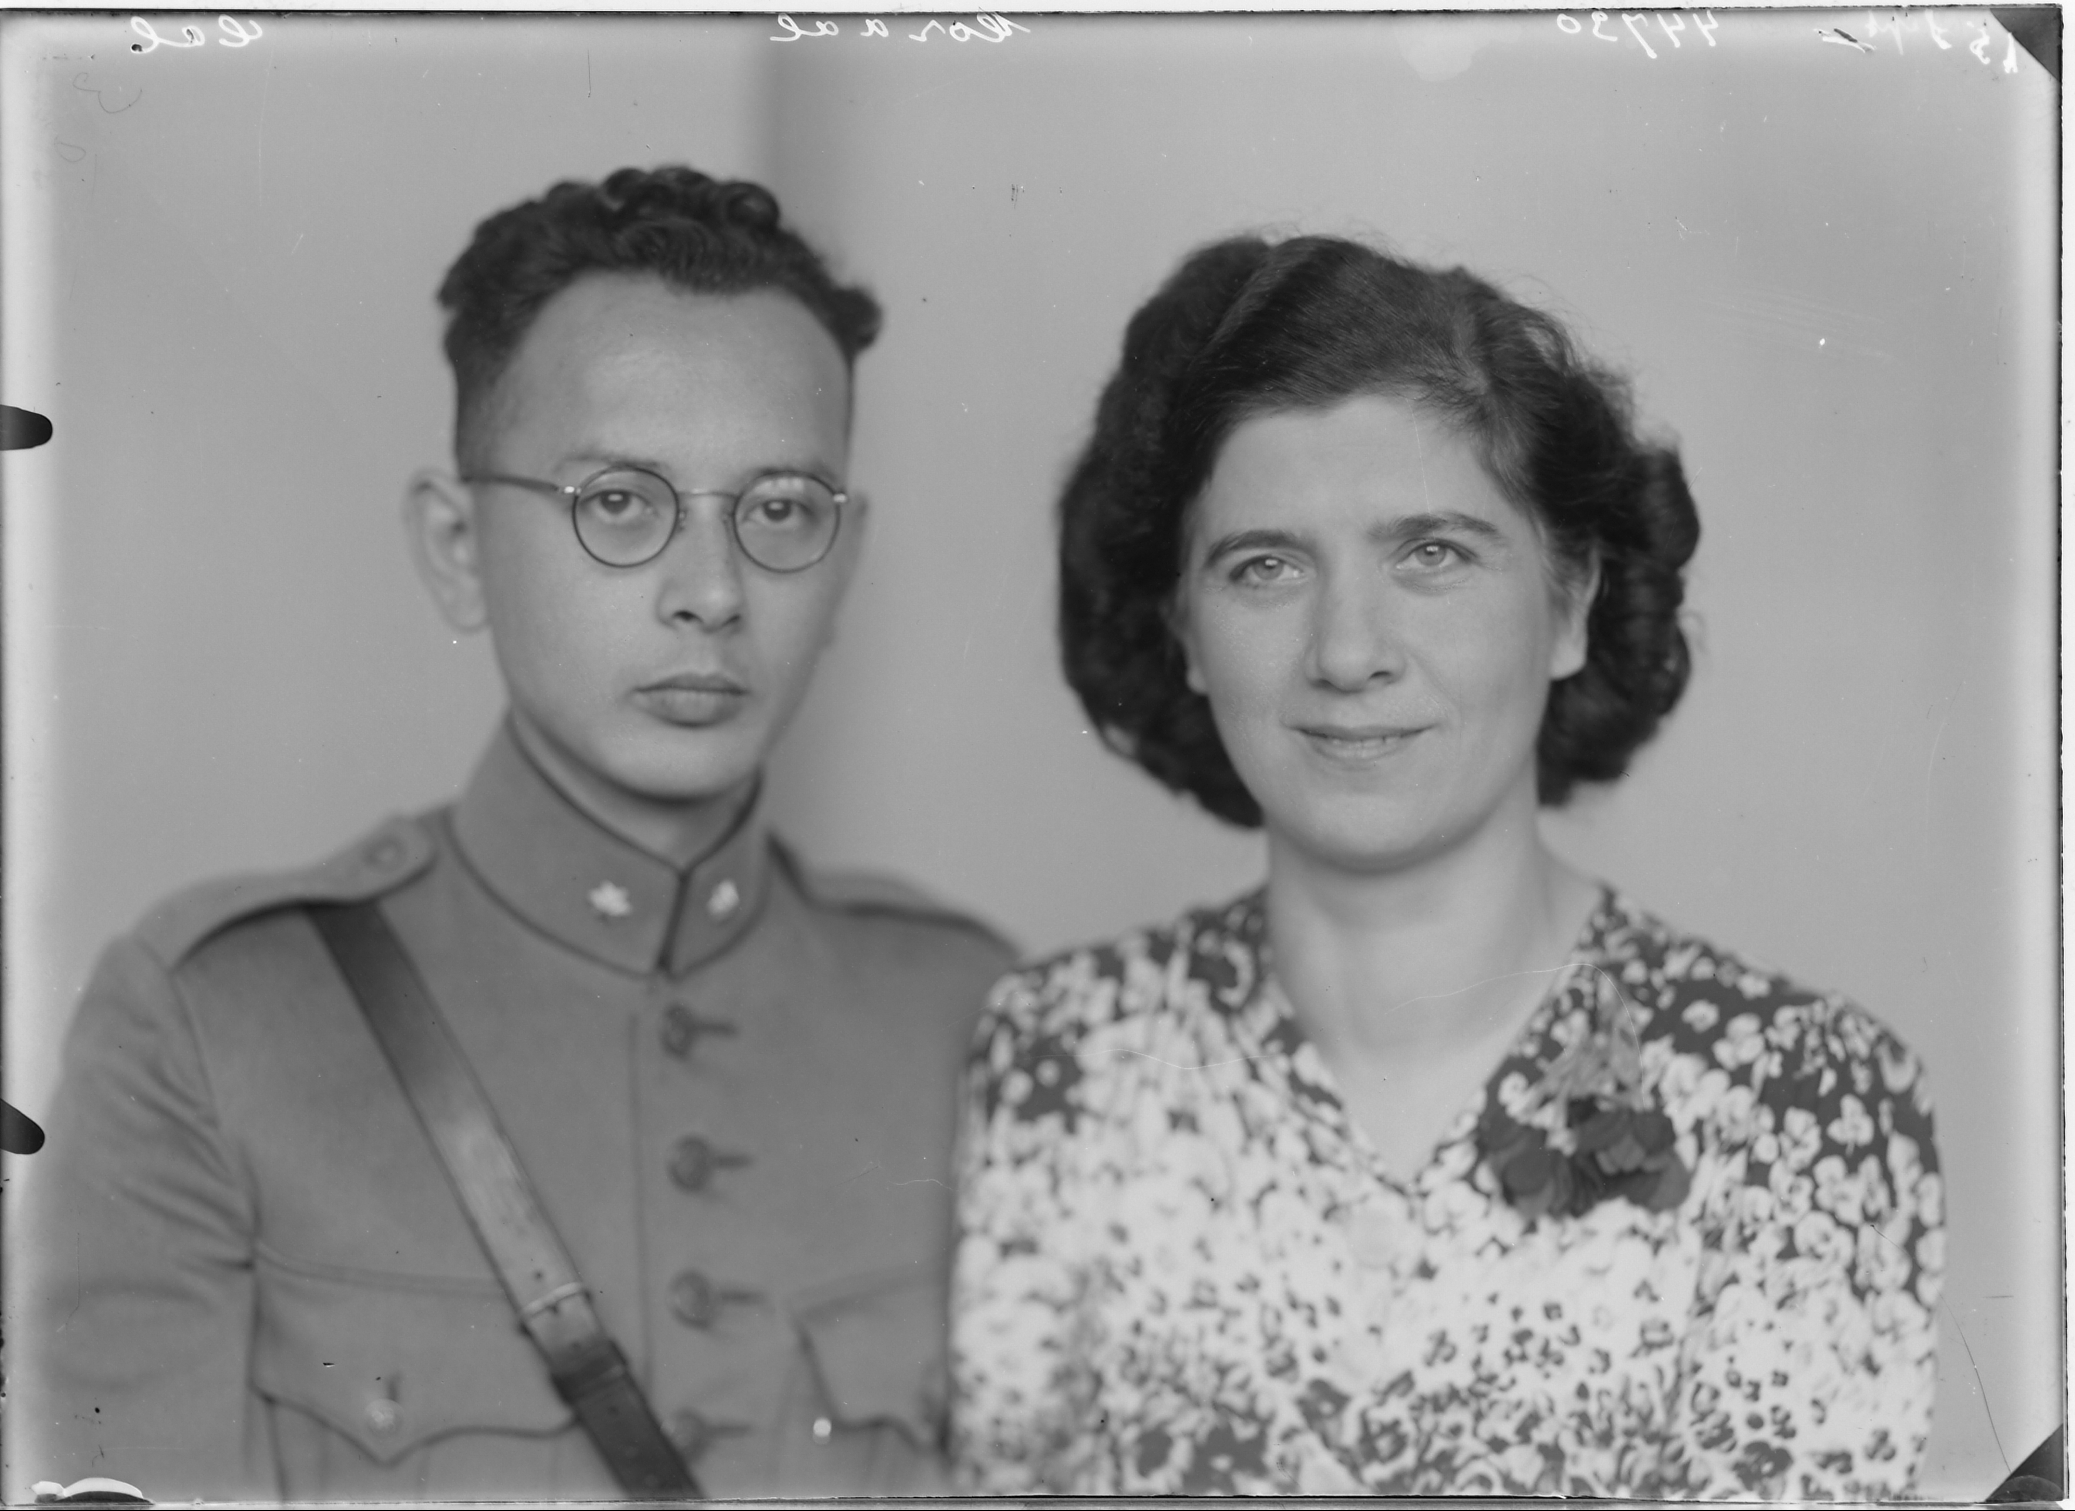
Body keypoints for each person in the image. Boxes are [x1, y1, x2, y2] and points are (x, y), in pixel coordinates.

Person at [13, 166, 1014, 1502]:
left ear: (843, 561)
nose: (711, 591)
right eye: (619, 501)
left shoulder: (965, 1013)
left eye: (779, 508)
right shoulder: (210, 1027)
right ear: (455, 546)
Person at [949, 235, 1942, 1498]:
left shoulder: (1800, 1101)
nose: (1346, 650)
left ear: (1570, 601)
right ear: (1183, 632)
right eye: (1264, 565)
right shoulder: (1060, 1055)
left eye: (1431, 553)